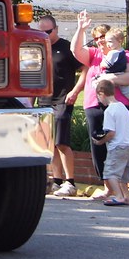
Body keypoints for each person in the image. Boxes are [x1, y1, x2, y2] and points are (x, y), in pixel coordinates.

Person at [67, 12, 129, 198]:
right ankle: (108, 187)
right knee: (98, 146)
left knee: (119, 144)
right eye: (96, 38)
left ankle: (122, 191)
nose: (100, 41)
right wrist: (81, 28)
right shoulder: (94, 55)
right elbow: (75, 51)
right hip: (94, 105)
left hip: (119, 105)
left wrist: (109, 78)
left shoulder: (124, 55)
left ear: (111, 39)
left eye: (103, 37)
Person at [37, 15, 84, 197]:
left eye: (48, 31)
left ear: (56, 29)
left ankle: (70, 181)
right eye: (41, 31)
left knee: (62, 142)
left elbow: (84, 69)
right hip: (44, 100)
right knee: (50, 144)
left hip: (62, 100)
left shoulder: (66, 48)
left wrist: (75, 91)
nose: (45, 35)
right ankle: (56, 180)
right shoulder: (38, 47)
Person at [92, 79, 129, 206]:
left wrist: (100, 142)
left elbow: (111, 133)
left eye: (98, 96)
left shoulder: (109, 111)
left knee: (110, 173)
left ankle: (118, 196)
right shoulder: (123, 107)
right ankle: (127, 197)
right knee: (123, 175)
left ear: (101, 94)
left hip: (117, 146)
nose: (98, 99)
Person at [100, 27, 129, 117]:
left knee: (97, 83)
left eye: (110, 42)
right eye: (107, 42)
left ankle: (102, 102)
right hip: (122, 74)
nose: (108, 45)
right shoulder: (123, 52)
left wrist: (101, 64)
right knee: (127, 92)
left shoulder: (112, 53)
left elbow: (106, 64)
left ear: (120, 40)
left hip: (112, 74)